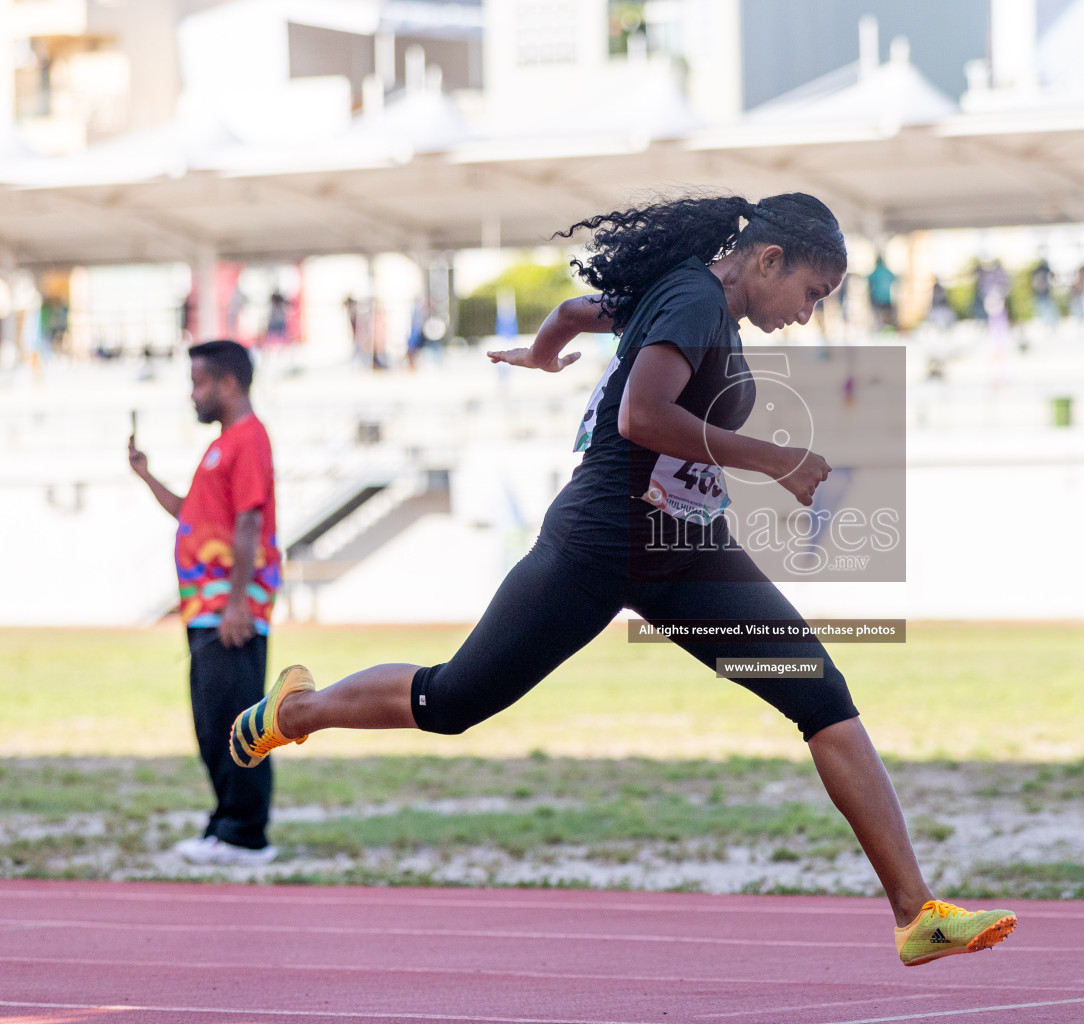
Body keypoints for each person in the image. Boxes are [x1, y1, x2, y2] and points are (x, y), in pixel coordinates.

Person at [227, 193, 1016, 967]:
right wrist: (774, 459)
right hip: (600, 544)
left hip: (687, 548)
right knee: (453, 700)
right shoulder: (696, 299)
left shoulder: (686, 297)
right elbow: (642, 416)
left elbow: (575, 314)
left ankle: (918, 915)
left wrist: (543, 351)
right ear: (768, 259)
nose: (808, 313)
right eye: (811, 293)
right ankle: (297, 710)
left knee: (820, 694)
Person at [128, 340, 282, 866]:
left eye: (199, 383)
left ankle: (246, 833)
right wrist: (146, 475)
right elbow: (192, 515)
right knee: (213, 721)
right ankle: (225, 824)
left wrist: (238, 604)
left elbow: (249, 522)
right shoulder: (221, 447)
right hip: (208, 607)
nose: (192, 394)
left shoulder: (248, 441)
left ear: (228, 384)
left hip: (229, 609)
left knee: (236, 720)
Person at [867, 254, 898, 330]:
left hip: (877, 298)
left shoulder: (875, 272)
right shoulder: (887, 271)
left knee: (877, 313)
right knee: (890, 314)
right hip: (887, 297)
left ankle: (879, 326)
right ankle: (891, 326)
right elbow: (895, 278)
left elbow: (869, 280)